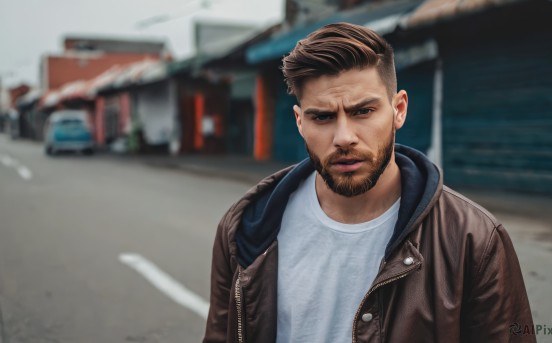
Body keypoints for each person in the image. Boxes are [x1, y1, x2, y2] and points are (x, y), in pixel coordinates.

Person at [204, 22, 535, 343]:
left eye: (363, 111)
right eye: (322, 116)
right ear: (299, 122)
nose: (344, 137)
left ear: (399, 110)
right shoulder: (245, 229)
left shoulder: (473, 239)